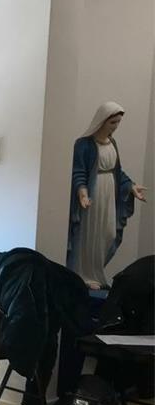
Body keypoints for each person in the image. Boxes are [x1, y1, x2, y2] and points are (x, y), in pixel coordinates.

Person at [67, 101, 146, 290]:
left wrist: (131, 186)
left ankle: (96, 273)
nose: (116, 126)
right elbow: (78, 172)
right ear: (101, 121)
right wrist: (82, 193)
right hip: (93, 194)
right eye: (112, 122)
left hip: (109, 193)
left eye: (118, 122)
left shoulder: (112, 143)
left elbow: (117, 171)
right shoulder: (84, 144)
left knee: (107, 233)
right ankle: (82, 275)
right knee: (89, 234)